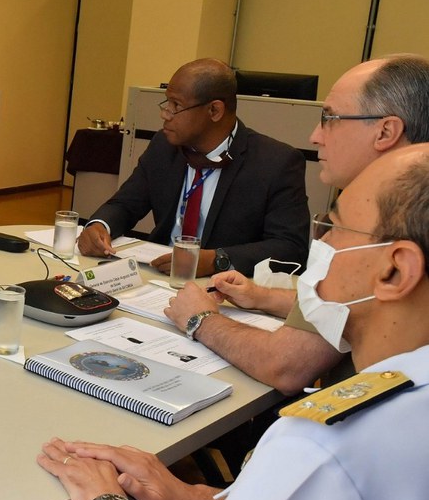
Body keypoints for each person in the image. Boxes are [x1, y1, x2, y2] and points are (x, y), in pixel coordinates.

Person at [0, 143, 429, 500]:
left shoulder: (324, 450)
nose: (322, 243)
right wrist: (192, 498)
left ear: (395, 270)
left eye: (334, 228)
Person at [166, 54, 429, 394]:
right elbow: (345, 310)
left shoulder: (381, 231)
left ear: (386, 131)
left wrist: (200, 319)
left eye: (329, 118)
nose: (316, 135)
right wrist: (263, 297)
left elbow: (285, 364)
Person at [76, 58, 308, 278]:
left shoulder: (275, 163)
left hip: (223, 287)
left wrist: (216, 260)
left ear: (214, 111)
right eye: (166, 102)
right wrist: (99, 225)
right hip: (158, 276)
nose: (165, 114)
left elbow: (290, 247)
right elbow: (125, 204)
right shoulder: (164, 146)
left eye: (176, 105)